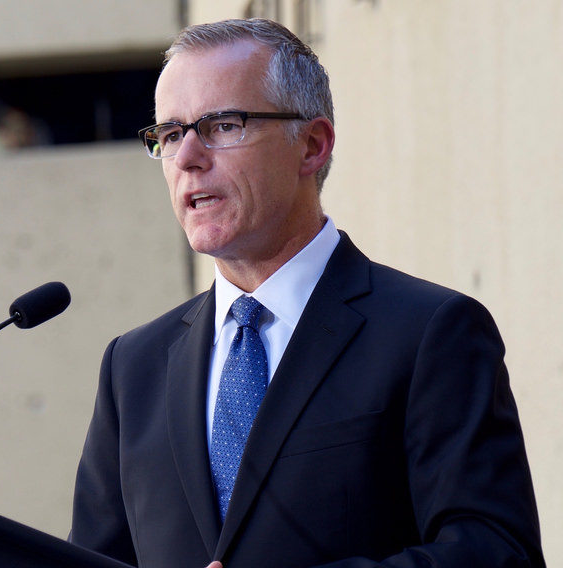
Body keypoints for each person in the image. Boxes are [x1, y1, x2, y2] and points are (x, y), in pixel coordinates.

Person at [69, 18, 543, 568]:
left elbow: (496, 553)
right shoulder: (134, 367)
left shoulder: (429, 332)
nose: (188, 157)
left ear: (313, 146)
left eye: (222, 125)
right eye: (171, 134)